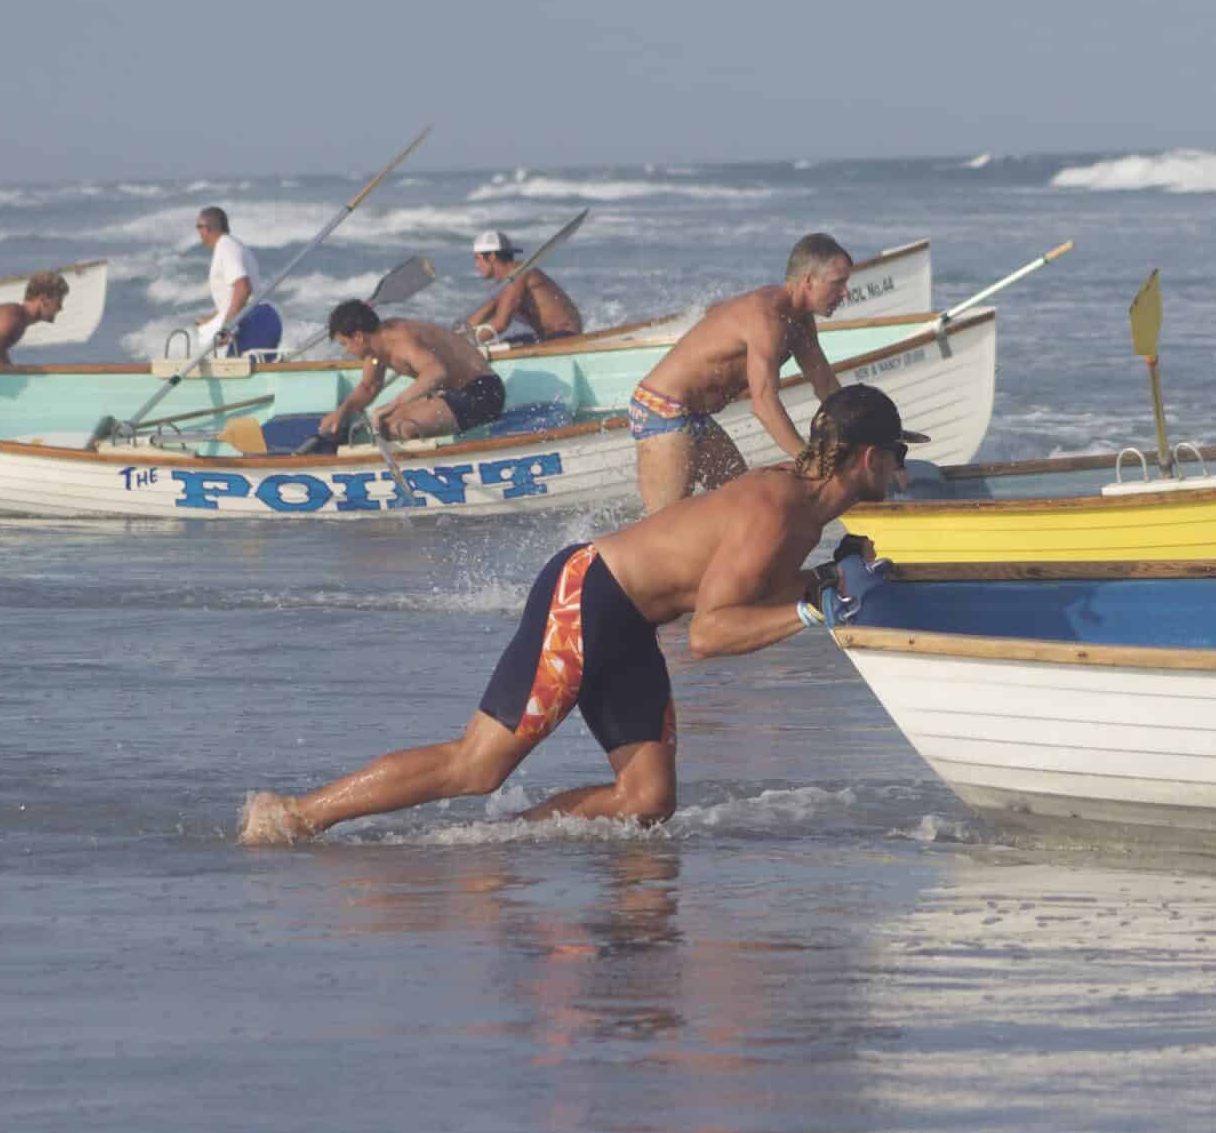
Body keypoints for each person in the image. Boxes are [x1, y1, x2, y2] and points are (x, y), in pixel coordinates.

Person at [239, 382, 926, 844]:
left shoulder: (803, 514)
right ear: (866, 457)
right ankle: (294, 816)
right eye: (897, 459)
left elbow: (744, 591)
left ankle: (500, 844)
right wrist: (817, 611)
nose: (901, 474)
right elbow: (713, 633)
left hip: (630, 624)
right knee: (477, 766)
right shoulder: (777, 508)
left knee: (646, 802)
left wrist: (823, 581)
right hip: (588, 596)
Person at [627, 232, 855, 511]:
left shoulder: (800, 321)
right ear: (808, 281)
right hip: (662, 409)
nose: (845, 293)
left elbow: (826, 385)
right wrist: (807, 460)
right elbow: (764, 404)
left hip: (695, 415)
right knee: (665, 529)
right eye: (838, 283)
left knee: (741, 509)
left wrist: (871, 430)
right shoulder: (767, 317)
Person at [316, 300, 508, 443]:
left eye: (345, 344)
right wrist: (342, 411)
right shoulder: (374, 349)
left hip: (483, 392)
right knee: (383, 425)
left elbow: (436, 373)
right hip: (453, 393)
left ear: (358, 337)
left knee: (398, 426)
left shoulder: (400, 339)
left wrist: (391, 405)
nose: (346, 351)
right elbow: (369, 387)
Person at [463, 229, 583, 346]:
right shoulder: (502, 286)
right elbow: (475, 320)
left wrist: (465, 343)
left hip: (566, 335)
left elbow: (500, 323)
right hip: (544, 337)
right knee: (498, 345)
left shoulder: (519, 273)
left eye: (477, 258)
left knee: (498, 347)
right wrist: (455, 336)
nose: (476, 265)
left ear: (492, 257)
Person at [193, 207, 281, 356]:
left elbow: (243, 288)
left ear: (207, 228)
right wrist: (211, 319)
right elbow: (234, 298)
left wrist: (226, 327)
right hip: (262, 318)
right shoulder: (233, 245)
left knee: (235, 371)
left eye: (198, 227)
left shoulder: (225, 246)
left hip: (255, 320)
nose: (197, 231)